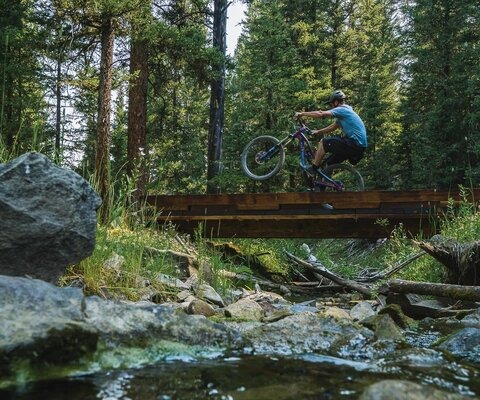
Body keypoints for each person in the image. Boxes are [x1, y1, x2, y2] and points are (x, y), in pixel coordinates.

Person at [295, 89, 367, 176]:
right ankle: (322, 188)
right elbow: (332, 127)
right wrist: (318, 132)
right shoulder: (346, 112)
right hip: (358, 147)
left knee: (323, 142)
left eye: (331, 103)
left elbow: (321, 114)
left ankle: (313, 169)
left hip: (354, 144)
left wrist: (302, 113)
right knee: (329, 164)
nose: (331, 106)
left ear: (336, 102)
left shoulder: (342, 110)